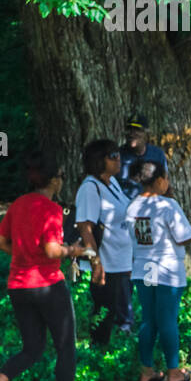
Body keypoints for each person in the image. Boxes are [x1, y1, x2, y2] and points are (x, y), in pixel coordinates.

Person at [0, 150, 95, 381]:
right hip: (48, 286)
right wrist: (76, 250)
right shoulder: (51, 209)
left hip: (18, 286)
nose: (62, 181)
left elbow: (1, 242)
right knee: (66, 348)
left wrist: (26, 255)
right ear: (54, 180)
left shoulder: (18, 204)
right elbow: (52, 250)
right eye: (62, 176)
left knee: (32, 349)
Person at [125, 160, 191, 381]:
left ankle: (146, 369)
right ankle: (174, 371)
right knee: (167, 319)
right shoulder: (167, 205)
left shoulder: (133, 206)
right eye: (166, 178)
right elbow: (185, 236)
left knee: (148, 319)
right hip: (167, 269)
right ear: (159, 180)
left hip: (143, 267)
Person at [75, 139, 134, 344]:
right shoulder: (90, 188)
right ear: (99, 160)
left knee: (118, 312)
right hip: (105, 264)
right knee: (104, 315)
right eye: (113, 156)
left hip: (120, 261)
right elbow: (85, 227)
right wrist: (96, 263)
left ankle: (113, 356)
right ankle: (99, 358)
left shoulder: (113, 183)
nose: (119, 160)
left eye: (119, 155)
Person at [118, 113, 169, 197]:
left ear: (146, 134)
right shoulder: (117, 156)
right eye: (129, 129)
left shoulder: (157, 154)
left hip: (151, 204)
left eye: (137, 129)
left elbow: (165, 184)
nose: (132, 133)